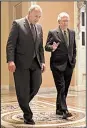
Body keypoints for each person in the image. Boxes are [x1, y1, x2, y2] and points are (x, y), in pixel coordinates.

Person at [6, 4, 45, 124]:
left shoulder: (39, 27)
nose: (37, 19)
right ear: (29, 14)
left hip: (35, 62)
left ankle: (23, 101)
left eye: (39, 16)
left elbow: (40, 47)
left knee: (37, 84)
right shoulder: (17, 24)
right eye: (35, 16)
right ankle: (27, 115)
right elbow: (11, 44)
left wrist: (42, 61)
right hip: (20, 63)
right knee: (22, 89)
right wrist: (10, 60)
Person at [45, 12, 76, 119]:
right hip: (57, 65)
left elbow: (74, 48)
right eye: (63, 20)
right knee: (61, 87)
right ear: (59, 21)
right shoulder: (53, 32)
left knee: (65, 88)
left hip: (69, 64)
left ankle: (58, 109)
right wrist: (52, 48)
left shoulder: (72, 32)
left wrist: (73, 60)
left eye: (67, 20)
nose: (65, 22)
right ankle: (64, 110)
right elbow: (46, 46)